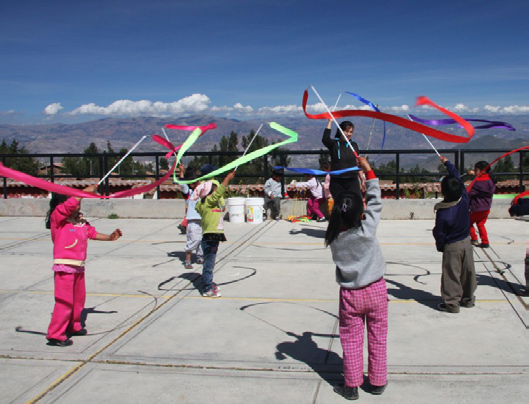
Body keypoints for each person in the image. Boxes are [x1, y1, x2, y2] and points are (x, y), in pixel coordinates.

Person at [324, 157, 388, 400]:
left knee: (350, 340)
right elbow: (376, 201)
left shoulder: (333, 238)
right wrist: (368, 170)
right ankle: (377, 382)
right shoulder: (367, 229)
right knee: (378, 337)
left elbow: (335, 205)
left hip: (350, 294)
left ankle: (351, 386)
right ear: (360, 212)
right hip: (376, 290)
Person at [45, 186, 122, 346]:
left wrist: (109, 237)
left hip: (78, 267)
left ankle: (74, 326)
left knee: (78, 300)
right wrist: (84, 191)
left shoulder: (80, 221)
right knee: (64, 301)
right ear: (61, 203)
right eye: (71, 199)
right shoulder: (58, 218)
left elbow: (91, 233)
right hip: (64, 267)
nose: (76, 203)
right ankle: (56, 334)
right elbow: (69, 206)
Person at [433, 156, 477, 314]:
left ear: (444, 192)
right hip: (466, 242)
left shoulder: (444, 212)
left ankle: (452, 304)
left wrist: (440, 245)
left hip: (452, 246)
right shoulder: (464, 199)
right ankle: (468, 298)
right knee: (468, 271)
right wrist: (448, 163)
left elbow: (440, 232)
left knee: (452, 274)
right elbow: (456, 177)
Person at [195, 171, 236, 298]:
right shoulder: (207, 202)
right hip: (210, 237)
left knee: (210, 262)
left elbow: (217, 196)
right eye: (214, 190)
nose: (217, 191)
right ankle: (207, 288)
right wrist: (227, 178)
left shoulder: (207, 203)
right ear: (208, 193)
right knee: (209, 263)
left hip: (213, 236)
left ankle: (208, 282)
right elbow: (219, 192)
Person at [322, 119, 361, 202]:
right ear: (340, 131)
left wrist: (362, 178)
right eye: (346, 131)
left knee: (355, 203)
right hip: (337, 180)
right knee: (341, 205)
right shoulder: (334, 144)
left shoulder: (354, 145)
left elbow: (358, 162)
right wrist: (330, 122)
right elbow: (325, 139)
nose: (349, 134)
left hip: (352, 179)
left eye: (351, 132)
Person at [177, 164, 203, 269]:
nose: (200, 182)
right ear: (192, 184)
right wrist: (181, 172)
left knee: (202, 240)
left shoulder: (202, 192)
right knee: (194, 240)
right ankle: (187, 259)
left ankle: (200, 256)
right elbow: (182, 184)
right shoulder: (189, 193)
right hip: (193, 221)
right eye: (198, 181)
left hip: (203, 220)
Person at [468, 161, 496, 248]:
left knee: (468, 222)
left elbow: (468, 192)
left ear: (482, 171)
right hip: (486, 208)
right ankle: (485, 241)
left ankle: (474, 238)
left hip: (477, 208)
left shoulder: (478, 182)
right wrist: (475, 175)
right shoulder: (490, 179)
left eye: (476, 170)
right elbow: (482, 183)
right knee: (480, 224)